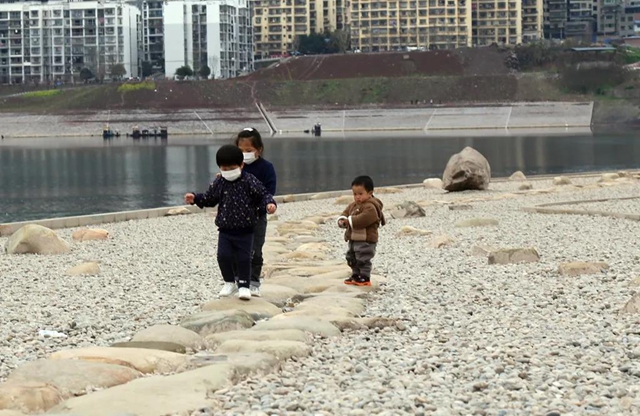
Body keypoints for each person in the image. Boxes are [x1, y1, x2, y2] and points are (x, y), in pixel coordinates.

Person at [185, 145, 277, 301]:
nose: (228, 171)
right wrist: (195, 198)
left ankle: (244, 286)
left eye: (232, 168)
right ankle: (229, 282)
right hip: (225, 229)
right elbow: (209, 198)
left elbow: (263, 194)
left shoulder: (249, 181)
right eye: (224, 168)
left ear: (241, 165)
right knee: (223, 256)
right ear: (220, 168)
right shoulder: (220, 182)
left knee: (244, 259)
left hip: (246, 230)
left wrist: (270, 204)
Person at [234, 127, 277, 297]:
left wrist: (268, 204)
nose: (245, 154)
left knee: (256, 249)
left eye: (249, 150)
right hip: (236, 217)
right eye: (241, 150)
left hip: (257, 216)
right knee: (237, 249)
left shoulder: (266, 167)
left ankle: (253, 282)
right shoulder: (235, 167)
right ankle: (238, 281)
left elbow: (269, 191)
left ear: (259, 149)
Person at [337, 175, 385, 287]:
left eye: (360, 194)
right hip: (354, 238)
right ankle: (355, 275)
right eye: (355, 194)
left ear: (370, 193)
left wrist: (349, 221)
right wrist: (342, 219)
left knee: (363, 258)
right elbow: (345, 213)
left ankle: (364, 276)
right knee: (351, 257)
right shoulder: (353, 205)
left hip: (366, 239)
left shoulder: (371, 207)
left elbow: (364, 219)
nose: (357, 197)